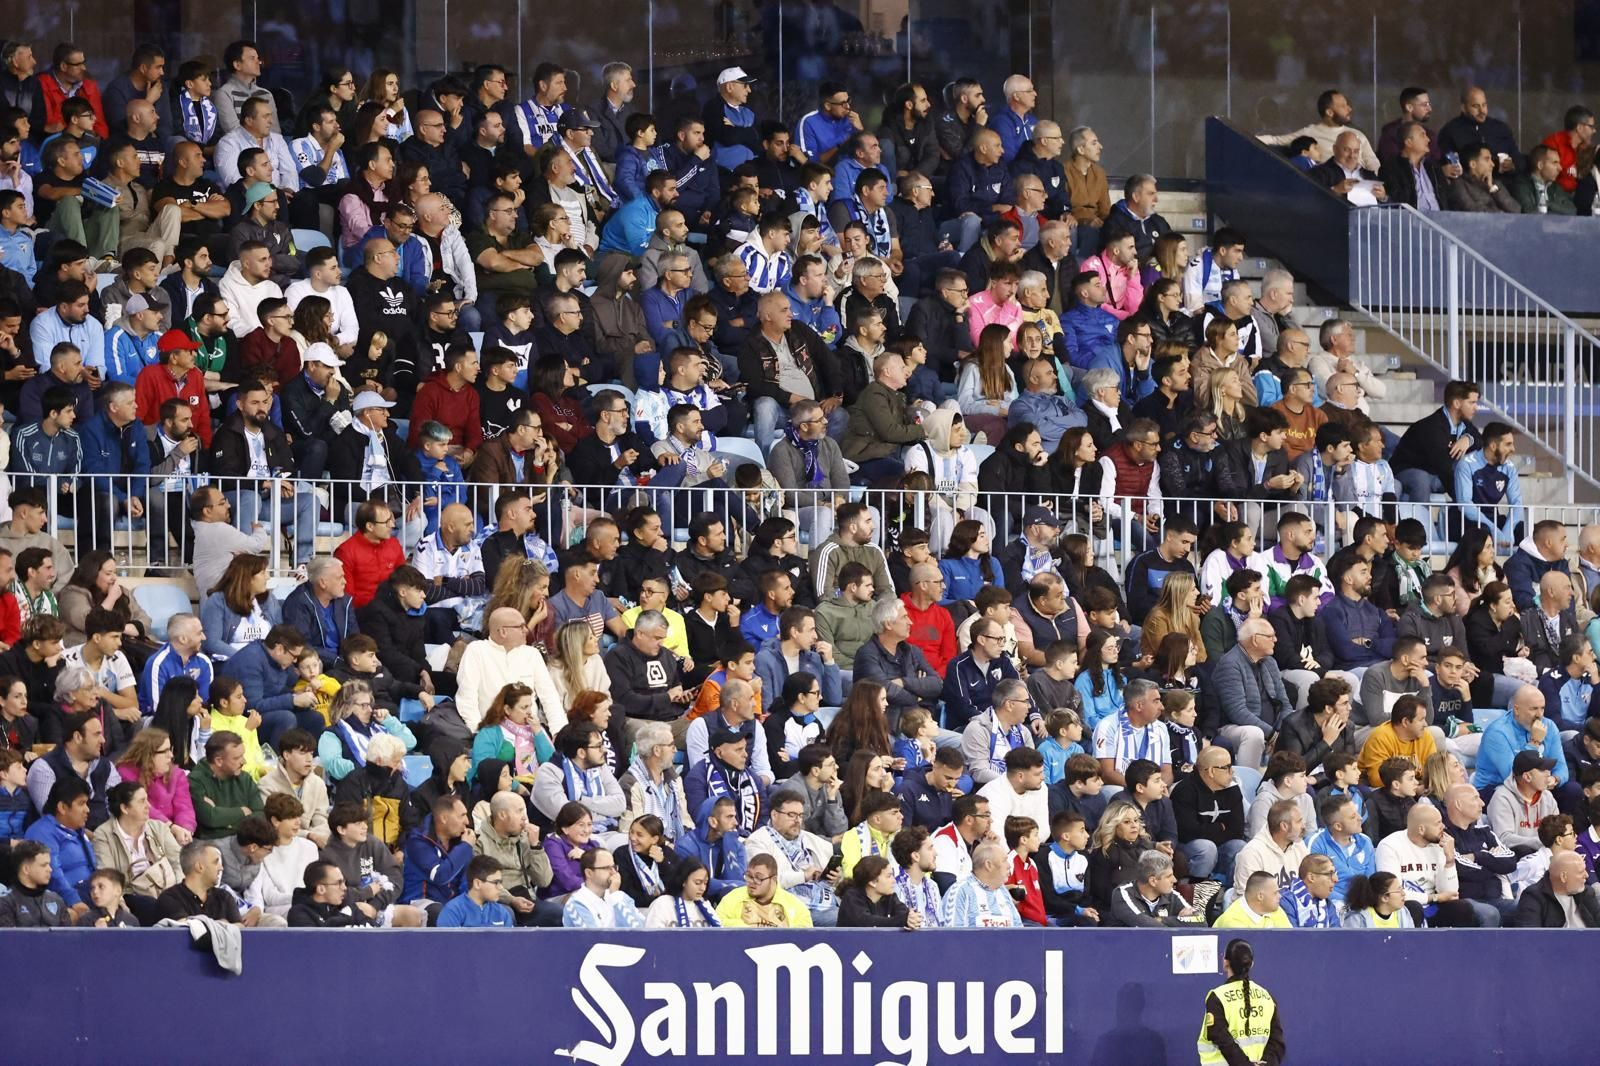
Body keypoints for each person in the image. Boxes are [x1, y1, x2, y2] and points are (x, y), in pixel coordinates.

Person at [744, 789, 841, 927]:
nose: (797, 821)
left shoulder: (809, 838)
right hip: (787, 908)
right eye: (791, 815)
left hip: (824, 900)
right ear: (774, 815)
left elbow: (832, 877)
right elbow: (765, 883)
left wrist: (834, 878)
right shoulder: (758, 841)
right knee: (844, 917)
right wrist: (803, 876)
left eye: (800, 816)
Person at [1198, 938, 1287, 1065]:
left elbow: (1222, 1039)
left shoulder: (1217, 997)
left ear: (1225, 962)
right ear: (1251, 964)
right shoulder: (1267, 997)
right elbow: (1277, 1041)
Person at [1171, 746, 1247, 884]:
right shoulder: (1184, 791)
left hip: (1219, 844)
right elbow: (1187, 833)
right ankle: (1195, 893)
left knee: (1239, 846)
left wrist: (1208, 830)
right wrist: (1220, 827)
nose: (1232, 771)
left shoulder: (1232, 789)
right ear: (1211, 771)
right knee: (1206, 848)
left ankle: (1227, 892)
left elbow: (1237, 830)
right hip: (1189, 847)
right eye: (1227, 767)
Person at [1233, 798, 1310, 897]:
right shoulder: (1252, 854)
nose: (1303, 825)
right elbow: (1249, 900)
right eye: (1299, 821)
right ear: (1284, 826)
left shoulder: (1299, 844)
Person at [715, 852, 813, 928]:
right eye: (749, 876)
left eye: (758, 878)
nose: (752, 882)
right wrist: (745, 928)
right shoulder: (733, 898)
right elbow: (716, 923)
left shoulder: (795, 906)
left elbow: (805, 936)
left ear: (774, 879)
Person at [1107, 847, 1198, 927]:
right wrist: (1178, 921)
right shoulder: (1123, 894)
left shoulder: (1172, 894)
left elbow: (1200, 921)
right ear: (1153, 881)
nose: (1174, 880)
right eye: (1169, 876)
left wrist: (1161, 920)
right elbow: (1147, 927)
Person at [1514, 849, 1600, 928]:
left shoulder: (1587, 893)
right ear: (1563, 877)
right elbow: (1530, 938)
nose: (1586, 875)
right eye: (1581, 872)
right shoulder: (1533, 897)